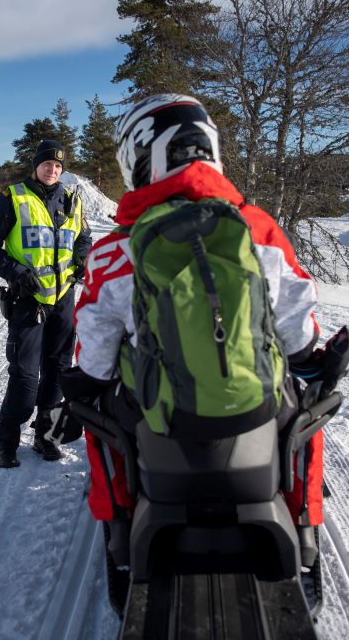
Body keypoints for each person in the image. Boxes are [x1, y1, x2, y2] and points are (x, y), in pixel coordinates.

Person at [69, 94, 325, 564]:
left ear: (141, 158)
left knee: (100, 418)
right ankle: (305, 524)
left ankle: (118, 524)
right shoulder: (258, 227)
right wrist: (308, 356)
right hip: (252, 406)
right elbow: (297, 321)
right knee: (304, 412)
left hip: (160, 415)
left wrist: (86, 381)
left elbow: (96, 345)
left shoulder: (115, 248)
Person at [0, 140, 93, 468]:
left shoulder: (72, 200)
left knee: (58, 373)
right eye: (47, 164)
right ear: (36, 165)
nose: (52, 170)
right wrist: (15, 273)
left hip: (64, 299)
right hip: (29, 302)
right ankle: (7, 441)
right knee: (26, 378)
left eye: (58, 166)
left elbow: (83, 237)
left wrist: (82, 259)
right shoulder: (13, 197)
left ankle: (47, 437)